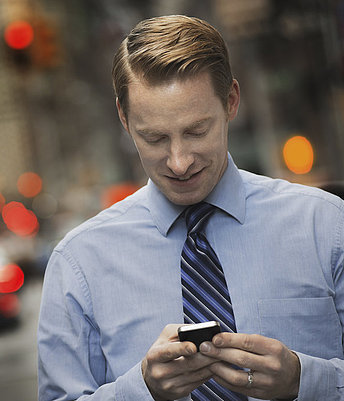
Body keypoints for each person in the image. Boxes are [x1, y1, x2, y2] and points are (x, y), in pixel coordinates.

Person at [37, 15, 344, 401]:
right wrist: (141, 391)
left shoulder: (327, 227)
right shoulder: (78, 263)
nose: (179, 162)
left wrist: (306, 380)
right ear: (124, 119)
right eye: (155, 138)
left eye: (197, 131)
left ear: (231, 101)